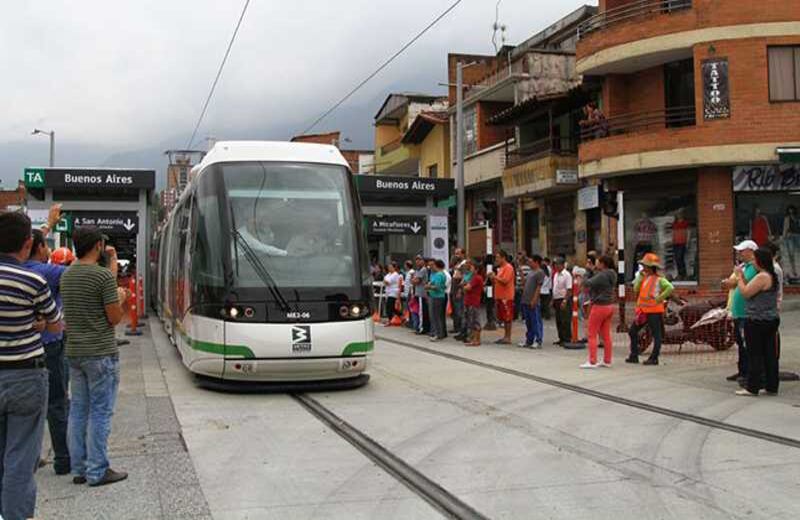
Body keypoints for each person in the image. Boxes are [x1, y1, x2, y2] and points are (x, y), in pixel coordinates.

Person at [0, 211, 62, 520]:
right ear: (27, 244)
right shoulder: (33, 280)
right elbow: (55, 326)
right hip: (26, 374)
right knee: (21, 458)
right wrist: (35, 324)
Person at [61, 227, 129, 487]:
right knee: (100, 412)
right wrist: (121, 299)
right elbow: (113, 318)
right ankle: (98, 470)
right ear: (97, 246)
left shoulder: (67, 274)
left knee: (78, 410)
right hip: (100, 352)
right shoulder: (101, 277)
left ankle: (79, 468)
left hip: (75, 352)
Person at [23, 230, 71, 475]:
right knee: (57, 402)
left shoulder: (14, 270)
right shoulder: (48, 273)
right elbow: (79, 275)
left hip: (18, 353)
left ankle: (30, 458)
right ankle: (63, 459)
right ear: (38, 247)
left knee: (28, 407)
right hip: (50, 346)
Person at [734, 247, 780, 396]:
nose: (752, 262)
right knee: (769, 353)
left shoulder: (762, 276)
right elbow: (752, 288)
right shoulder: (771, 275)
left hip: (757, 320)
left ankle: (753, 386)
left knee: (755, 354)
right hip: (770, 319)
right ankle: (771, 385)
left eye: (754, 260)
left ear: (760, 261)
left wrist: (739, 277)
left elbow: (746, 292)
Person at [626, 253, 674, 365]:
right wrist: (639, 278)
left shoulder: (659, 279)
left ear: (650, 267)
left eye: (645, 265)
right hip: (643, 312)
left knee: (656, 335)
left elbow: (670, 288)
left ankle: (654, 358)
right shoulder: (644, 277)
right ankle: (634, 355)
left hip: (654, 311)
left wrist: (659, 298)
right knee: (632, 332)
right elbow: (636, 289)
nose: (643, 267)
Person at [722, 240, 759, 384]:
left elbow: (746, 284)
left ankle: (749, 374)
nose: (739, 253)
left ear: (751, 251)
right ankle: (742, 371)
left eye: (742, 251)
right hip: (738, 312)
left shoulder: (754, 267)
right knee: (740, 343)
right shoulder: (744, 266)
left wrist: (738, 277)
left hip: (746, 313)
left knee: (746, 345)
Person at [581, 255, 617, 368]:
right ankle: (607, 360)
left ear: (603, 264)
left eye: (598, 262)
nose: (596, 264)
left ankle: (592, 361)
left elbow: (587, 283)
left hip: (599, 306)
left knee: (592, 333)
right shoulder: (612, 274)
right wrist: (593, 271)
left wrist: (587, 271)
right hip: (609, 305)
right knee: (606, 334)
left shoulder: (602, 275)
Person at [488, 250, 515, 345]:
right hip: (500, 296)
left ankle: (508, 337)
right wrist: (493, 278)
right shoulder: (501, 268)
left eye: (498, 257)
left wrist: (495, 277)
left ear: (503, 257)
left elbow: (505, 281)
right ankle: (505, 336)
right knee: (503, 317)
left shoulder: (508, 267)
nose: (496, 259)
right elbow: (498, 281)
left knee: (507, 317)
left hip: (506, 296)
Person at [519, 255, 545, 349]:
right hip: (525, 300)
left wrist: (534, 299)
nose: (529, 263)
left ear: (536, 262)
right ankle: (529, 340)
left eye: (531, 261)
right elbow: (525, 283)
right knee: (528, 322)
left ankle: (538, 340)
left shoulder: (539, 272)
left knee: (536, 321)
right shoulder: (531, 272)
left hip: (533, 301)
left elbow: (538, 287)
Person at [551, 257, 573, 345]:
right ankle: (561, 338)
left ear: (562, 265)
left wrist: (565, 300)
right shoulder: (556, 274)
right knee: (559, 320)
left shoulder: (567, 275)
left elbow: (569, 289)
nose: (556, 266)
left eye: (558, 264)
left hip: (564, 299)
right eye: (555, 264)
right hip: (557, 298)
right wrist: (553, 299)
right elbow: (555, 288)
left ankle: (567, 338)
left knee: (565, 320)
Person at [463, 260, 485, 346]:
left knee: (474, 320)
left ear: (476, 269)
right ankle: (474, 338)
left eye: (472, 267)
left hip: (473, 301)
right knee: (471, 320)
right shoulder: (473, 277)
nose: (470, 269)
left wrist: (464, 286)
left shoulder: (476, 278)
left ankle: (476, 339)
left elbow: (467, 288)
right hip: (470, 301)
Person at [426, 260, 448, 341]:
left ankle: (437, 333)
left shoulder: (439, 274)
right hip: (438, 296)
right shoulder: (441, 274)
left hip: (436, 296)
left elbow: (437, 287)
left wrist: (429, 287)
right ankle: (439, 333)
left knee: (435, 316)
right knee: (438, 316)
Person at [412, 256, 431, 335]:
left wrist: (414, 280)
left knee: (422, 312)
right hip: (417, 292)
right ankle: (423, 327)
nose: (417, 262)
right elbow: (413, 280)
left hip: (422, 293)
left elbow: (416, 281)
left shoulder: (423, 269)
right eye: (416, 260)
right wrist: (414, 280)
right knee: (420, 311)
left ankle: (422, 328)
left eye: (419, 260)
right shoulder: (417, 270)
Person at [449, 248, 467, 335]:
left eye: (458, 254)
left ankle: (461, 329)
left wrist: (460, 290)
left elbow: (464, 278)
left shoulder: (464, 264)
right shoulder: (456, 264)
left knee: (460, 310)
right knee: (454, 310)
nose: (456, 256)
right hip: (453, 289)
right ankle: (456, 327)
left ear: (463, 254)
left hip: (459, 290)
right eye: (455, 254)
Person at [672, 210, 691, 279]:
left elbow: (688, 232)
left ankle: (683, 274)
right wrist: (672, 240)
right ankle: (680, 274)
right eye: (677, 214)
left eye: (679, 214)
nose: (678, 215)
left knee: (680, 258)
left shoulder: (685, 223)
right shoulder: (674, 223)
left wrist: (687, 242)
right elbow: (673, 233)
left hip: (682, 242)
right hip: (675, 243)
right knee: (677, 259)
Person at [782, 205, 800, 279]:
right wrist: (784, 237)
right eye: (789, 210)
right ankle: (794, 271)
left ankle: (795, 271)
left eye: (792, 210)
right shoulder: (787, 218)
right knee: (791, 255)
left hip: (797, 235)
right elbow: (785, 228)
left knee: (795, 255)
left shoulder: (797, 218)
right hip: (790, 236)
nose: (791, 212)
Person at [514, 251, 530, 321]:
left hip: (523, 287)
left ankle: (524, 316)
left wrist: (524, 286)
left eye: (518, 259)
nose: (517, 261)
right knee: (517, 302)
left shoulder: (526, 268)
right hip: (518, 287)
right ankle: (517, 316)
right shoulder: (518, 268)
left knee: (523, 302)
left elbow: (526, 279)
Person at [402, 260, 416, 329]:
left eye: (405, 265)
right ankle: (410, 321)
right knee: (408, 307)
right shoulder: (408, 272)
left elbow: (412, 282)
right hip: (407, 292)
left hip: (410, 292)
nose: (404, 266)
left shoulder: (412, 272)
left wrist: (411, 292)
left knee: (410, 308)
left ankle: (412, 322)